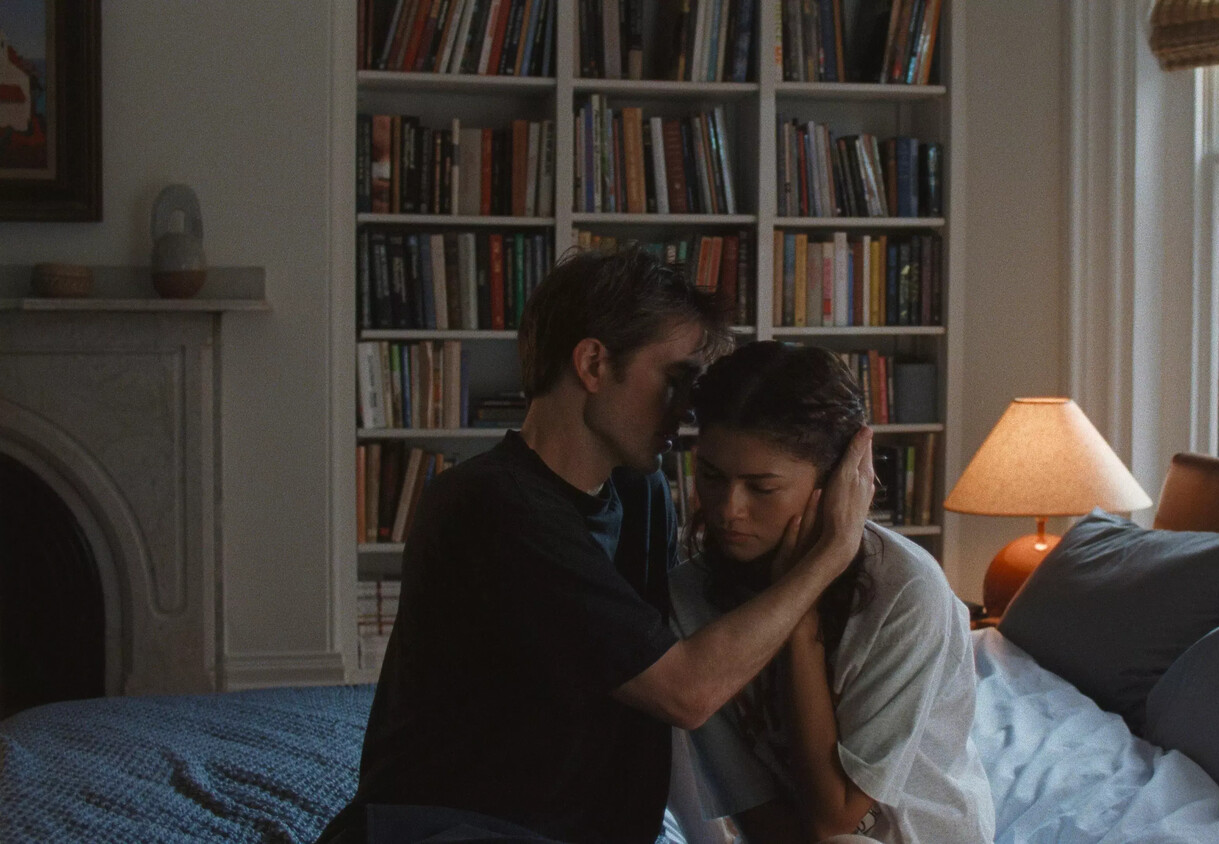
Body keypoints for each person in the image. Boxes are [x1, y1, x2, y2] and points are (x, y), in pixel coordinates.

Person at [318, 250, 875, 844]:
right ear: (592, 364)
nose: (688, 409)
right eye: (674, 380)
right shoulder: (490, 505)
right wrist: (829, 555)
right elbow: (686, 691)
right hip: (448, 829)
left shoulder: (641, 492)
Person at [669, 342, 994, 844]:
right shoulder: (690, 593)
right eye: (712, 477)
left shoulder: (906, 591)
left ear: (841, 479)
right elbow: (751, 810)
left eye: (762, 487)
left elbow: (834, 820)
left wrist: (800, 617)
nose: (729, 509)